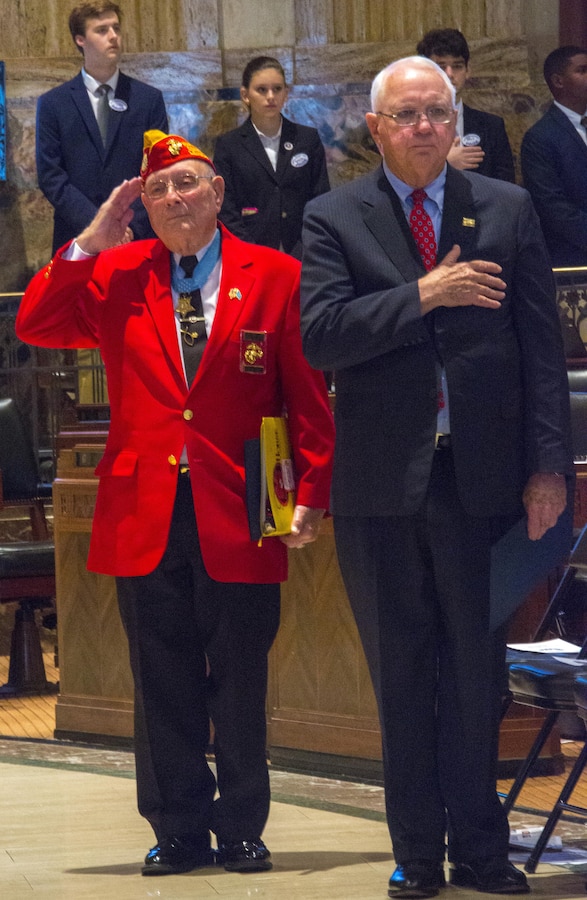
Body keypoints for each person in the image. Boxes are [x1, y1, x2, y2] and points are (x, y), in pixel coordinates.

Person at [17, 130, 334, 877]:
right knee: (160, 682)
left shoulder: (276, 274)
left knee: (241, 677)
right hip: (145, 505)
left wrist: (310, 495)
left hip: (245, 500)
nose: (172, 200)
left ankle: (242, 828)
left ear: (218, 191)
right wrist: (93, 238)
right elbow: (37, 323)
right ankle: (178, 829)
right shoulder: (120, 271)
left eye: (186, 185)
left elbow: (305, 397)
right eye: (157, 191)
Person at [300, 56, 573, 898]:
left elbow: (540, 351)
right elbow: (322, 336)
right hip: (382, 488)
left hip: (481, 484)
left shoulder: (507, 207)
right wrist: (424, 293)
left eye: (436, 112)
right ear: (374, 127)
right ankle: (417, 855)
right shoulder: (331, 216)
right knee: (403, 674)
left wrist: (547, 468)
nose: (423, 126)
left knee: (474, 677)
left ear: (456, 122)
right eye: (405, 114)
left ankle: (481, 855)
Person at [36, 2, 168, 253]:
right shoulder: (54, 104)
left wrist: (126, 226)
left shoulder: (148, 99)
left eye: (116, 28)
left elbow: (158, 169)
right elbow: (51, 176)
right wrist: (100, 225)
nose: (113, 36)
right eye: (102, 30)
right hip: (78, 234)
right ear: (80, 40)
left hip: (137, 235)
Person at [213, 55, 330, 260]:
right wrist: (250, 251)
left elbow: (320, 198)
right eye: (261, 89)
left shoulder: (306, 139)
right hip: (250, 250)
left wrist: (306, 246)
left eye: (277, 89)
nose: (270, 96)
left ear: (286, 93)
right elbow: (225, 206)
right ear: (245, 95)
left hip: (303, 250)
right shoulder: (229, 146)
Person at [417, 28, 515, 182]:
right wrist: (444, 166)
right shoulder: (410, 124)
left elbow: (507, 188)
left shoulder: (491, 126)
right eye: (441, 67)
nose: (449, 74)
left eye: (457, 66)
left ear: (468, 70)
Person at [520, 45, 587, 267]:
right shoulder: (540, 138)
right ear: (558, 81)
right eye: (582, 70)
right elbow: (551, 205)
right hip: (573, 257)